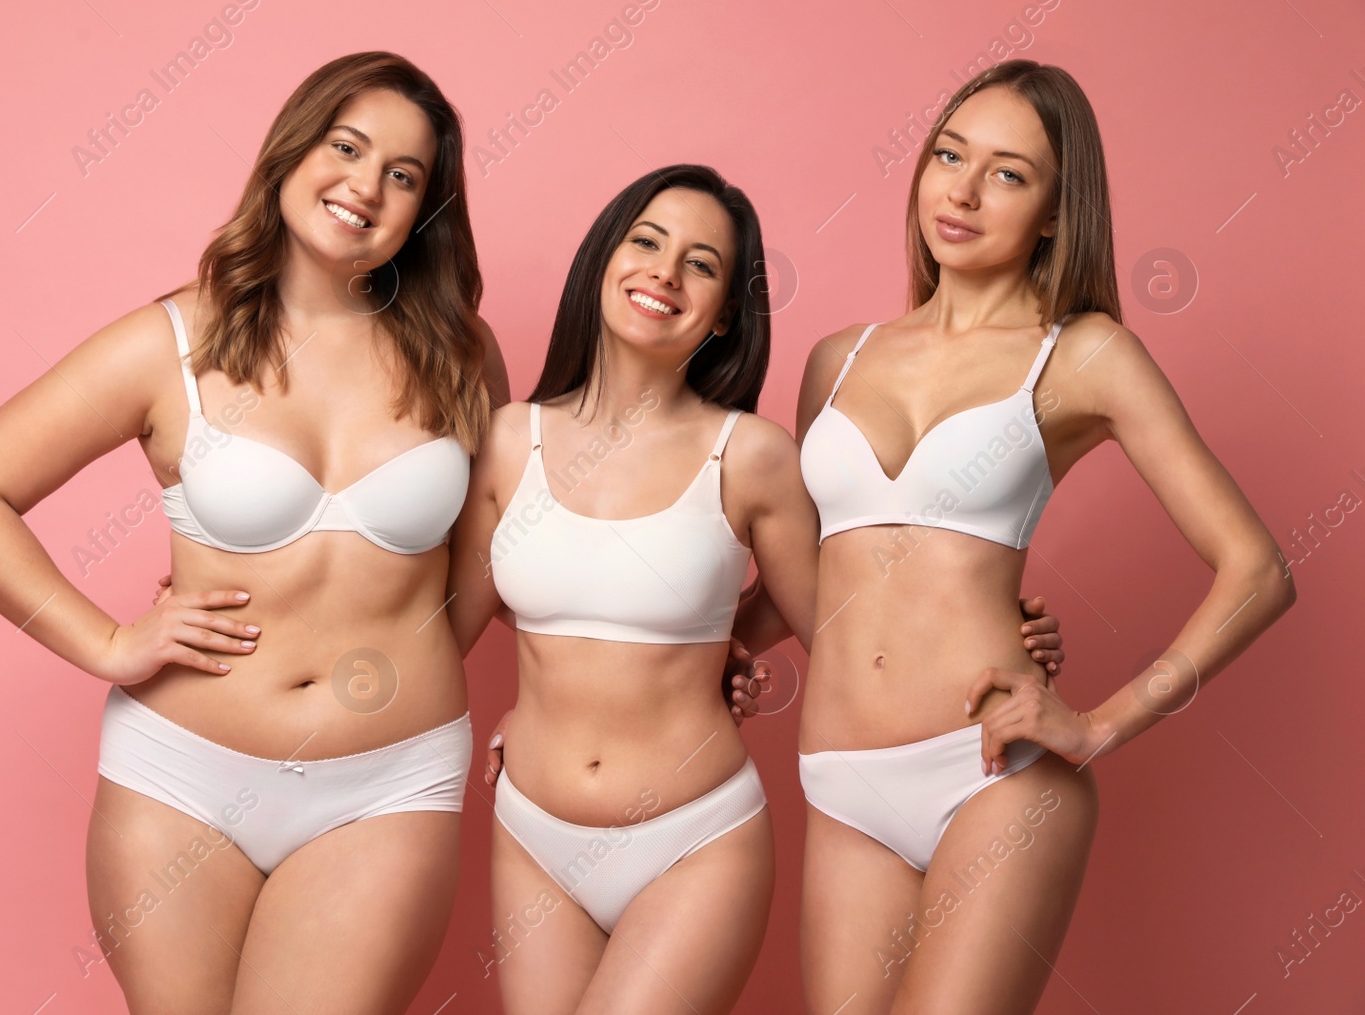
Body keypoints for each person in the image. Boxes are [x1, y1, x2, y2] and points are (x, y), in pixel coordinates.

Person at [0, 51, 507, 1014]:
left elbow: (491, 536)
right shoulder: (171, 343)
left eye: (403, 176)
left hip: (386, 781)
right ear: (290, 153)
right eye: (346, 147)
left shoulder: (461, 353)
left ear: (425, 211)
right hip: (181, 777)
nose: (365, 185)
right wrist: (109, 642)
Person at [449, 165, 1068, 1014]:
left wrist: (995, 631)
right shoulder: (509, 441)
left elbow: (849, 624)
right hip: (530, 834)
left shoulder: (754, 456)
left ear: (729, 312)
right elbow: (433, 632)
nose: (665, 273)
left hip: (693, 838)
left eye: (701, 264)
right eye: (646, 242)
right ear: (603, 258)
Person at [769, 59, 1296, 1014]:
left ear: (1057, 212)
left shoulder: (1083, 352)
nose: (962, 191)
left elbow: (1257, 569)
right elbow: (813, 577)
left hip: (991, 777)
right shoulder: (836, 360)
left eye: (1008, 173)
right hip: (840, 782)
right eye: (948, 156)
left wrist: (1100, 724)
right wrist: (714, 650)